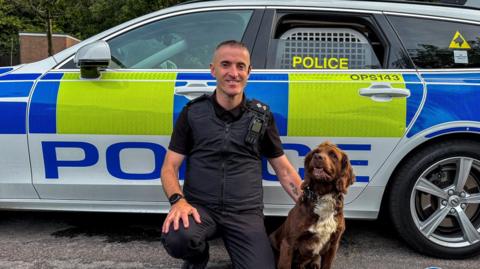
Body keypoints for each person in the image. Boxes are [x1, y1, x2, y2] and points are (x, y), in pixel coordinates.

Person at [160, 40, 302, 269]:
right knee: (179, 238)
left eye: (240, 66)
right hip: (200, 209)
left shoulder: (262, 117)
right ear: (213, 69)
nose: (233, 73)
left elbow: (284, 170)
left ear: (249, 72)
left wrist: (312, 205)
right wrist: (178, 202)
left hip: (244, 213)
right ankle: (197, 257)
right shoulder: (193, 112)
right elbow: (169, 167)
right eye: (225, 65)